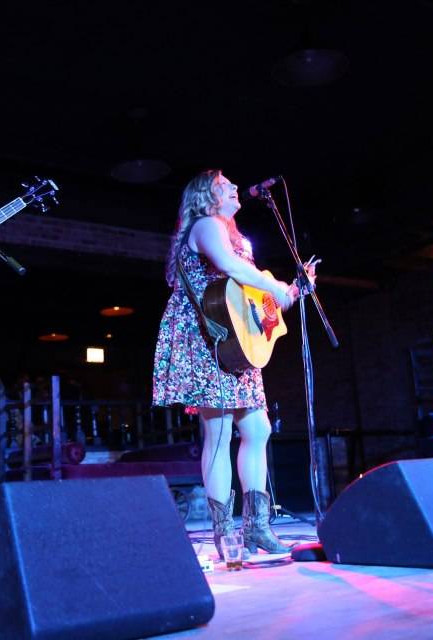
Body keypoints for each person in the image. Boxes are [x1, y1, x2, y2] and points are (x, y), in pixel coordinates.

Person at [152, 170, 314, 558]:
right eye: (225, 184)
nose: (235, 187)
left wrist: (292, 291)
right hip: (210, 335)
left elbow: (254, 299)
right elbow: (230, 267)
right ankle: (225, 533)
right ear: (206, 195)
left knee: (257, 428)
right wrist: (275, 286)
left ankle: (257, 527)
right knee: (220, 432)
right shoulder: (206, 224)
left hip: (237, 340)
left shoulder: (234, 233)